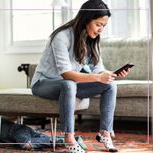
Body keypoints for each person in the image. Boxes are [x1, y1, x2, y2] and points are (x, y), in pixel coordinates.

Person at [31, 0, 131, 152]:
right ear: (86, 18)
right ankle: (69, 138)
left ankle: (104, 132)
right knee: (69, 83)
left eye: (103, 26)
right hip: (44, 83)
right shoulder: (61, 36)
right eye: (98, 24)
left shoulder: (91, 40)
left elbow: (99, 70)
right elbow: (66, 74)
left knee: (110, 85)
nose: (100, 30)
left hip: (68, 85)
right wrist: (98, 77)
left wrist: (111, 74)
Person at [0, 101, 86, 151]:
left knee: (27, 145)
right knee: (42, 138)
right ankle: (72, 141)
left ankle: (63, 141)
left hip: (16, 133)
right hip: (21, 129)